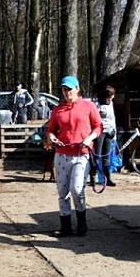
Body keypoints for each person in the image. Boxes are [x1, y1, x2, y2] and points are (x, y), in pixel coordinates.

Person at [46, 76, 102, 237]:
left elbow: (98, 126)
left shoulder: (88, 106)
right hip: (62, 155)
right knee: (62, 192)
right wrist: (53, 138)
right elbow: (51, 130)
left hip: (81, 155)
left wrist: (89, 139)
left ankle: (82, 222)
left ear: (77, 89)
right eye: (64, 89)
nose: (67, 92)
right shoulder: (58, 110)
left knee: (77, 189)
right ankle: (65, 227)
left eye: (70, 89)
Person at [90, 85, 117, 187]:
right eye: (111, 96)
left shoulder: (111, 104)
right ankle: (93, 177)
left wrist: (114, 131)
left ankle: (107, 178)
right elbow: (94, 119)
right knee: (96, 155)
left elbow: (112, 118)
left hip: (109, 132)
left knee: (106, 156)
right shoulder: (96, 105)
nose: (112, 98)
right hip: (100, 132)